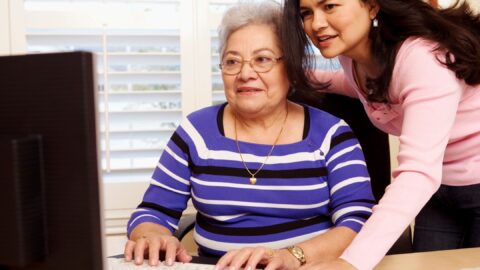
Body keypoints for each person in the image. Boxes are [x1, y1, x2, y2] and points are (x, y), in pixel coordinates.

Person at [123, 1, 375, 270]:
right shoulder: (196, 132)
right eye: (232, 61)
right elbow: (153, 211)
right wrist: (154, 237)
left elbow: (358, 221)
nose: (245, 73)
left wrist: (293, 256)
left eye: (262, 59)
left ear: (290, 68)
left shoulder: (332, 134)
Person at [282, 0, 480, 269]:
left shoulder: (421, 58)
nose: (316, 24)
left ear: (372, 6)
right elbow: (356, 87)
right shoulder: (354, 60)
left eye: (329, 6)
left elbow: (417, 173)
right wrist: (282, 73)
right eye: (306, 13)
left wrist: (351, 263)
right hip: (441, 189)